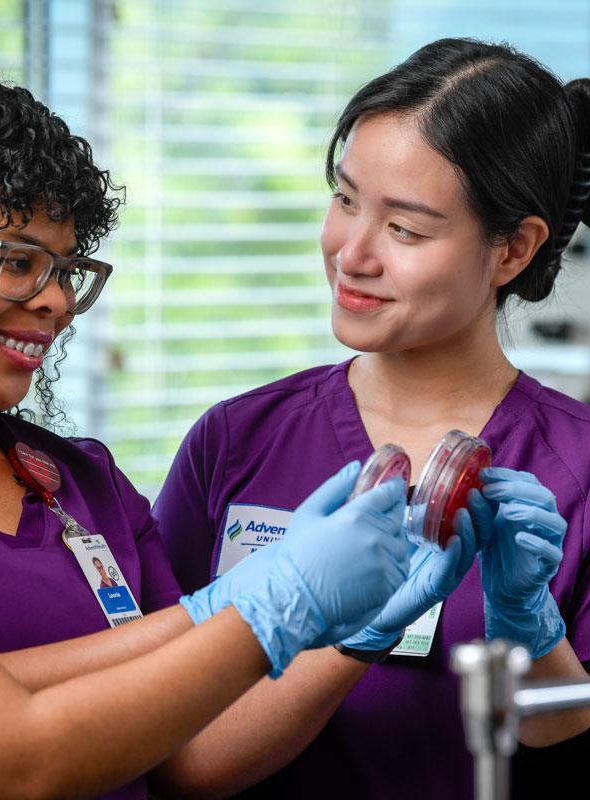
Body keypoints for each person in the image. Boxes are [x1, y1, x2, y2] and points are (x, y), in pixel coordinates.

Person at [0, 66, 480, 798]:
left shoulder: (80, 482)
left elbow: (188, 747)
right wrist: (268, 603)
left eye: (65, 269)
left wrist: (350, 634)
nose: (57, 302)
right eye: (19, 261)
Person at [154, 38, 590, 799]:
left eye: (406, 229)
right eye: (346, 199)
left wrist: (527, 626)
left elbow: (562, 741)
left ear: (514, 250)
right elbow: (151, 725)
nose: (350, 253)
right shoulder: (235, 440)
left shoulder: (576, 471)